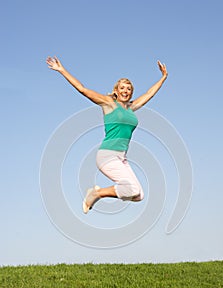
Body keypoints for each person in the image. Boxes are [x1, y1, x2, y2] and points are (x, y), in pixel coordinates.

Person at [46, 56, 168, 213]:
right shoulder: (108, 104)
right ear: (116, 91)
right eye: (122, 88)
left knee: (139, 195)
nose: (126, 91)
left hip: (122, 158)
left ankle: (98, 192)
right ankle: (97, 193)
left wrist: (163, 77)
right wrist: (62, 70)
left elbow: (149, 94)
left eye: (129, 89)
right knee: (132, 190)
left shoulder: (131, 108)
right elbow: (83, 89)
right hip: (107, 155)